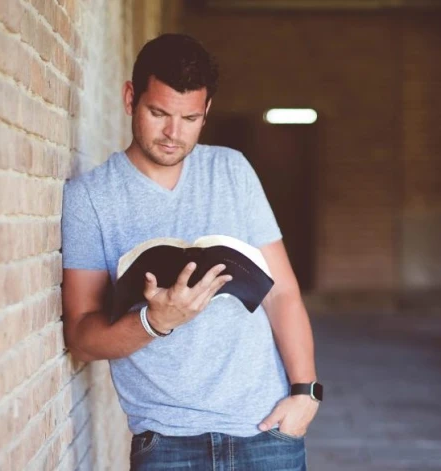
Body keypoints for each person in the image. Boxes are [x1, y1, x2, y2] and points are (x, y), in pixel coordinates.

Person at [60, 33, 321, 470]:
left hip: (267, 432)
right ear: (130, 98)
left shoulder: (232, 170)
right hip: (167, 445)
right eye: (158, 112)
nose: (172, 134)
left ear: (206, 113)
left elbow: (282, 293)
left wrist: (306, 392)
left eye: (189, 118)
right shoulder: (92, 198)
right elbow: (82, 339)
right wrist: (154, 322)